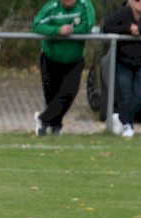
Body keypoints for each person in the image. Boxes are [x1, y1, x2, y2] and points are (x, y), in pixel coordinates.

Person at [32, 0, 96, 136]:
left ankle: (42, 119)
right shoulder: (51, 7)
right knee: (52, 98)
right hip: (50, 59)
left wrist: (71, 31)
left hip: (74, 61)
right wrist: (57, 30)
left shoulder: (85, 5)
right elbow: (37, 25)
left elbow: (88, 26)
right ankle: (54, 127)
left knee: (68, 93)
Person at [103, 0, 141, 138]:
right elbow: (107, 27)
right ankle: (128, 127)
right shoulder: (121, 14)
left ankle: (121, 118)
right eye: (138, 0)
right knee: (126, 96)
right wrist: (128, 30)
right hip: (123, 62)